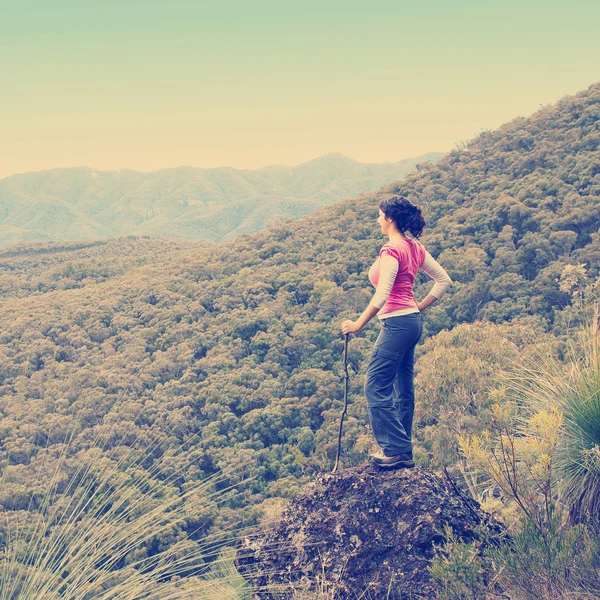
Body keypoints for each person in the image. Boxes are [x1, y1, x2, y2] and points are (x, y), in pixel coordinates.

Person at [341, 195, 452, 469]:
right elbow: (443, 281)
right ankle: (403, 449)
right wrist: (418, 307)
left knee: (375, 385)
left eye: (379, 215)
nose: (377, 220)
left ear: (390, 219)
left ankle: (396, 449)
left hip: (397, 324)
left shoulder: (391, 250)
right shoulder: (415, 247)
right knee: (404, 388)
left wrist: (357, 324)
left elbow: (382, 295)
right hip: (412, 322)